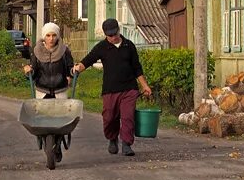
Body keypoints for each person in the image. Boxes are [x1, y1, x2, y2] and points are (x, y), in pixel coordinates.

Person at [72, 18, 152, 157]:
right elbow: (88, 60)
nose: (113, 37)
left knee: (128, 117)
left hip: (129, 88)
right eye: (110, 35)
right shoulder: (101, 47)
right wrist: (77, 69)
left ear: (119, 30)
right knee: (109, 117)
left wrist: (145, 86)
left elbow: (137, 68)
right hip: (110, 89)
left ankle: (126, 144)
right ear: (105, 35)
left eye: (115, 34)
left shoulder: (129, 46)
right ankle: (112, 138)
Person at [23, 22, 74, 100]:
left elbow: (70, 70)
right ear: (44, 37)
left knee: (61, 112)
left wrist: (74, 70)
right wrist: (28, 71)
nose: (51, 39)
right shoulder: (37, 50)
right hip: (42, 93)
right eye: (48, 35)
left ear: (57, 36)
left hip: (60, 93)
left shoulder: (64, 51)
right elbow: (33, 73)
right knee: (42, 112)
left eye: (54, 35)